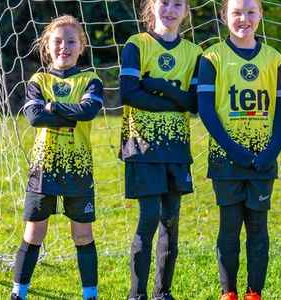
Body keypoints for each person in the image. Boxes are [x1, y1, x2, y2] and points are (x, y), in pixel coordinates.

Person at [197, 0, 281, 299]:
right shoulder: (212, 57)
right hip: (227, 161)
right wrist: (236, 152)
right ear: (224, 16)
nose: (244, 19)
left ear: (261, 15)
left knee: (259, 230)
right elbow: (206, 111)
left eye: (251, 12)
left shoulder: (274, 59)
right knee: (229, 228)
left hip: (263, 161)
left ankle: (254, 292)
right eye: (236, 12)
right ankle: (229, 292)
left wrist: (270, 152)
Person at [12, 14, 103, 300]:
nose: (64, 47)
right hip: (44, 167)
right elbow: (34, 117)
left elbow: (88, 111)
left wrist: (52, 107)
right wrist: (63, 111)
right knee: (33, 233)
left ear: (81, 46)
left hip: (78, 168)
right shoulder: (38, 79)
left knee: (83, 235)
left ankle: (90, 295)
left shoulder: (91, 80)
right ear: (47, 46)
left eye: (71, 41)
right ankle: (19, 293)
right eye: (58, 41)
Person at [119, 0, 201, 298]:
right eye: (164, 2)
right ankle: (137, 294)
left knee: (171, 221)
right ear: (151, 6)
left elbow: (194, 104)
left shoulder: (194, 53)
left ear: (186, 10)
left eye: (178, 3)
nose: (170, 9)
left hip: (176, 148)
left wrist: (157, 85)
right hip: (142, 146)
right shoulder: (136, 44)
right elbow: (129, 93)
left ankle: (162, 293)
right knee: (149, 217)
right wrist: (176, 99)